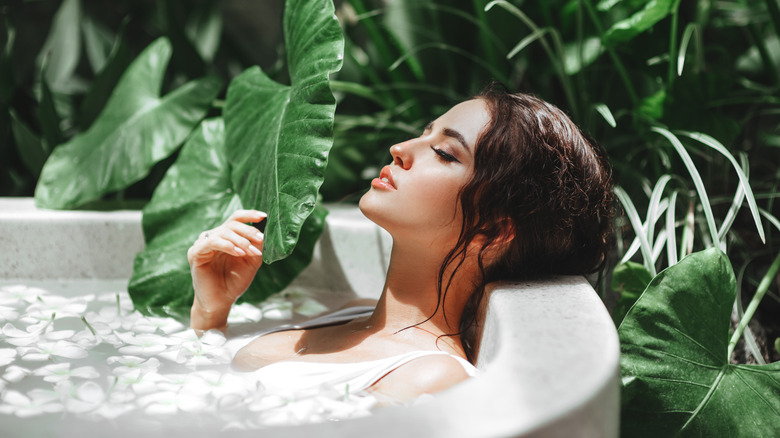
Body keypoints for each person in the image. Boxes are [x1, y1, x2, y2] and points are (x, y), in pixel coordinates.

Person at [186, 85, 613, 403]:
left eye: (445, 153)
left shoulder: (430, 379)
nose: (401, 149)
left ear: (491, 231)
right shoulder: (353, 314)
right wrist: (211, 312)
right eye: (423, 134)